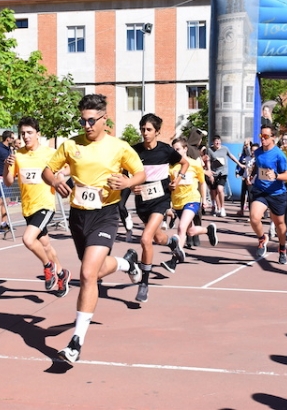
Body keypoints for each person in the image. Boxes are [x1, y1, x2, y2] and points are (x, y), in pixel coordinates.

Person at [42, 94, 146, 364]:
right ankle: (126, 264)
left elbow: (140, 173)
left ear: (104, 120)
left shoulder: (119, 147)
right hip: (78, 216)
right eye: (83, 120)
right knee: (95, 270)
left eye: (91, 120)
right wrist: (55, 180)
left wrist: (126, 183)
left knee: (88, 274)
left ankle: (75, 342)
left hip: (106, 214)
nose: (87, 125)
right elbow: (47, 171)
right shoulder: (70, 145)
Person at [3, 117, 71, 297]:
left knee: (27, 239)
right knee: (46, 246)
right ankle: (62, 274)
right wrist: (6, 167)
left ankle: (48, 266)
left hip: (45, 205)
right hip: (28, 207)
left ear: (38, 134)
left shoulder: (50, 153)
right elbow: (8, 182)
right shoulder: (17, 155)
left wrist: (61, 175)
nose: (26, 136)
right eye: (23, 133)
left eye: (29, 133)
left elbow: (68, 167)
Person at [129, 113, 189, 302]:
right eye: (143, 129)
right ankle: (173, 243)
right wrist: (132, 186)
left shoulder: (165, 150)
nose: (145, 133)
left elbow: (185, 163)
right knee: (157, 237)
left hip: (161, 200)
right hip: (142, 202)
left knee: (145, 239)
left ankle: (144, 284)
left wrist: (177, 180)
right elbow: (125, 174)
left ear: (157, 132)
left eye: (149, 130)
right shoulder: (134, 151)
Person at [162, 137, 217, 273]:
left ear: (185, 149)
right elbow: (168, 186)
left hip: (192, 199)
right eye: (173, 150)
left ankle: (173, 261)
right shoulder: (171, 167)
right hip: (178, 202)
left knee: (181, 228)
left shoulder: (194, 164)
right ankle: (208, 230)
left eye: (178, 149)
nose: (175, 152)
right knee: (190, 231)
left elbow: (202, 182)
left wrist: (204, 200)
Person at [248, 125, 287, 264]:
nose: (263, 139)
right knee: (254, 218)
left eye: (266, 136)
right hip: (260, 190)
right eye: (261, 136)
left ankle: (282, 248)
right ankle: (262, 238)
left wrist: (276, 175)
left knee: (279, 224)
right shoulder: (258, 152)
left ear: (273, 137)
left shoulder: (279, 155)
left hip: (276, 193)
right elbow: (258, 165)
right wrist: (252, 174)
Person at [206, 135, 244, 217]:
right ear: (213, 142)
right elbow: (208, 161)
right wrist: (209, 171)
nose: (217, 143)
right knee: (214, 191)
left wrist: (240, 164)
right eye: (216, 141)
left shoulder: (225, 149)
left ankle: (223, 208)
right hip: (214, 172)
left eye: (219, 141)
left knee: (220, 189)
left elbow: (232, 157)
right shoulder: (210, 150)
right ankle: (218, 208)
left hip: (223, 172)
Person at [0, 130, 15, 233]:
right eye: (12, 138)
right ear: (7, 138)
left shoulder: (9, 150)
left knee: (6, 202)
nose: (13, 140)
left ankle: (4, 224)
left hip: (6, 178)